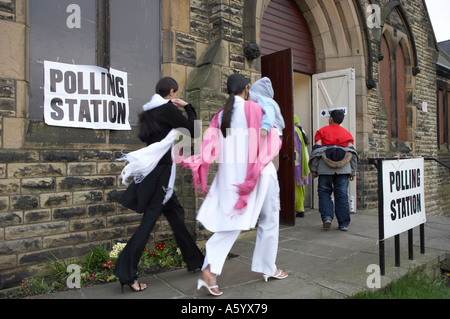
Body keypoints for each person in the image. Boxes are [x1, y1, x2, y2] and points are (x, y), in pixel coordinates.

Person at [181, 74, 288, 296]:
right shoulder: (257, 109)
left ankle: (213, 267)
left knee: (235, 221)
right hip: (259, 172)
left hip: (231, 174)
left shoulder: (221, 115)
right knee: (270, 219)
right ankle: (265, 267)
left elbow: (211, 147)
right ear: (247, 89)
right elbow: (273, 135)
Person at [113, 77, 204, 293]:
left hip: (156, 173)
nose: (176, 96)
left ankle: (196, 261)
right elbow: (193, 132)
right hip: (162, 176)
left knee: (176, 215)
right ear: (172, 92)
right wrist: (188, 107)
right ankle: (127, 273)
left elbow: (156, 138)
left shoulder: (148, 112)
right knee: (148, 223)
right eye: (176, 93)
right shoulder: (167, 110)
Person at [308, 109, 358, 231]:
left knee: (324, 192)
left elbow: (317, 150)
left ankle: (327, 218)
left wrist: (314, 168)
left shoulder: (321, 131)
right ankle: (344, 223)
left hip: (325, 167)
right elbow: (352, 153)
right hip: (343, 168)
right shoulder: (347, 134)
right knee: (342, 194)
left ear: (331, 118)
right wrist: (353, 171)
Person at [293, 114, 310, 218]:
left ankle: (299, 209)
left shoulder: (294, 130)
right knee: (300, 187)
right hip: (303, 161)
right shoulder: (301, 129)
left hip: (296, 162)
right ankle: (300, 208)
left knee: (296, 186)